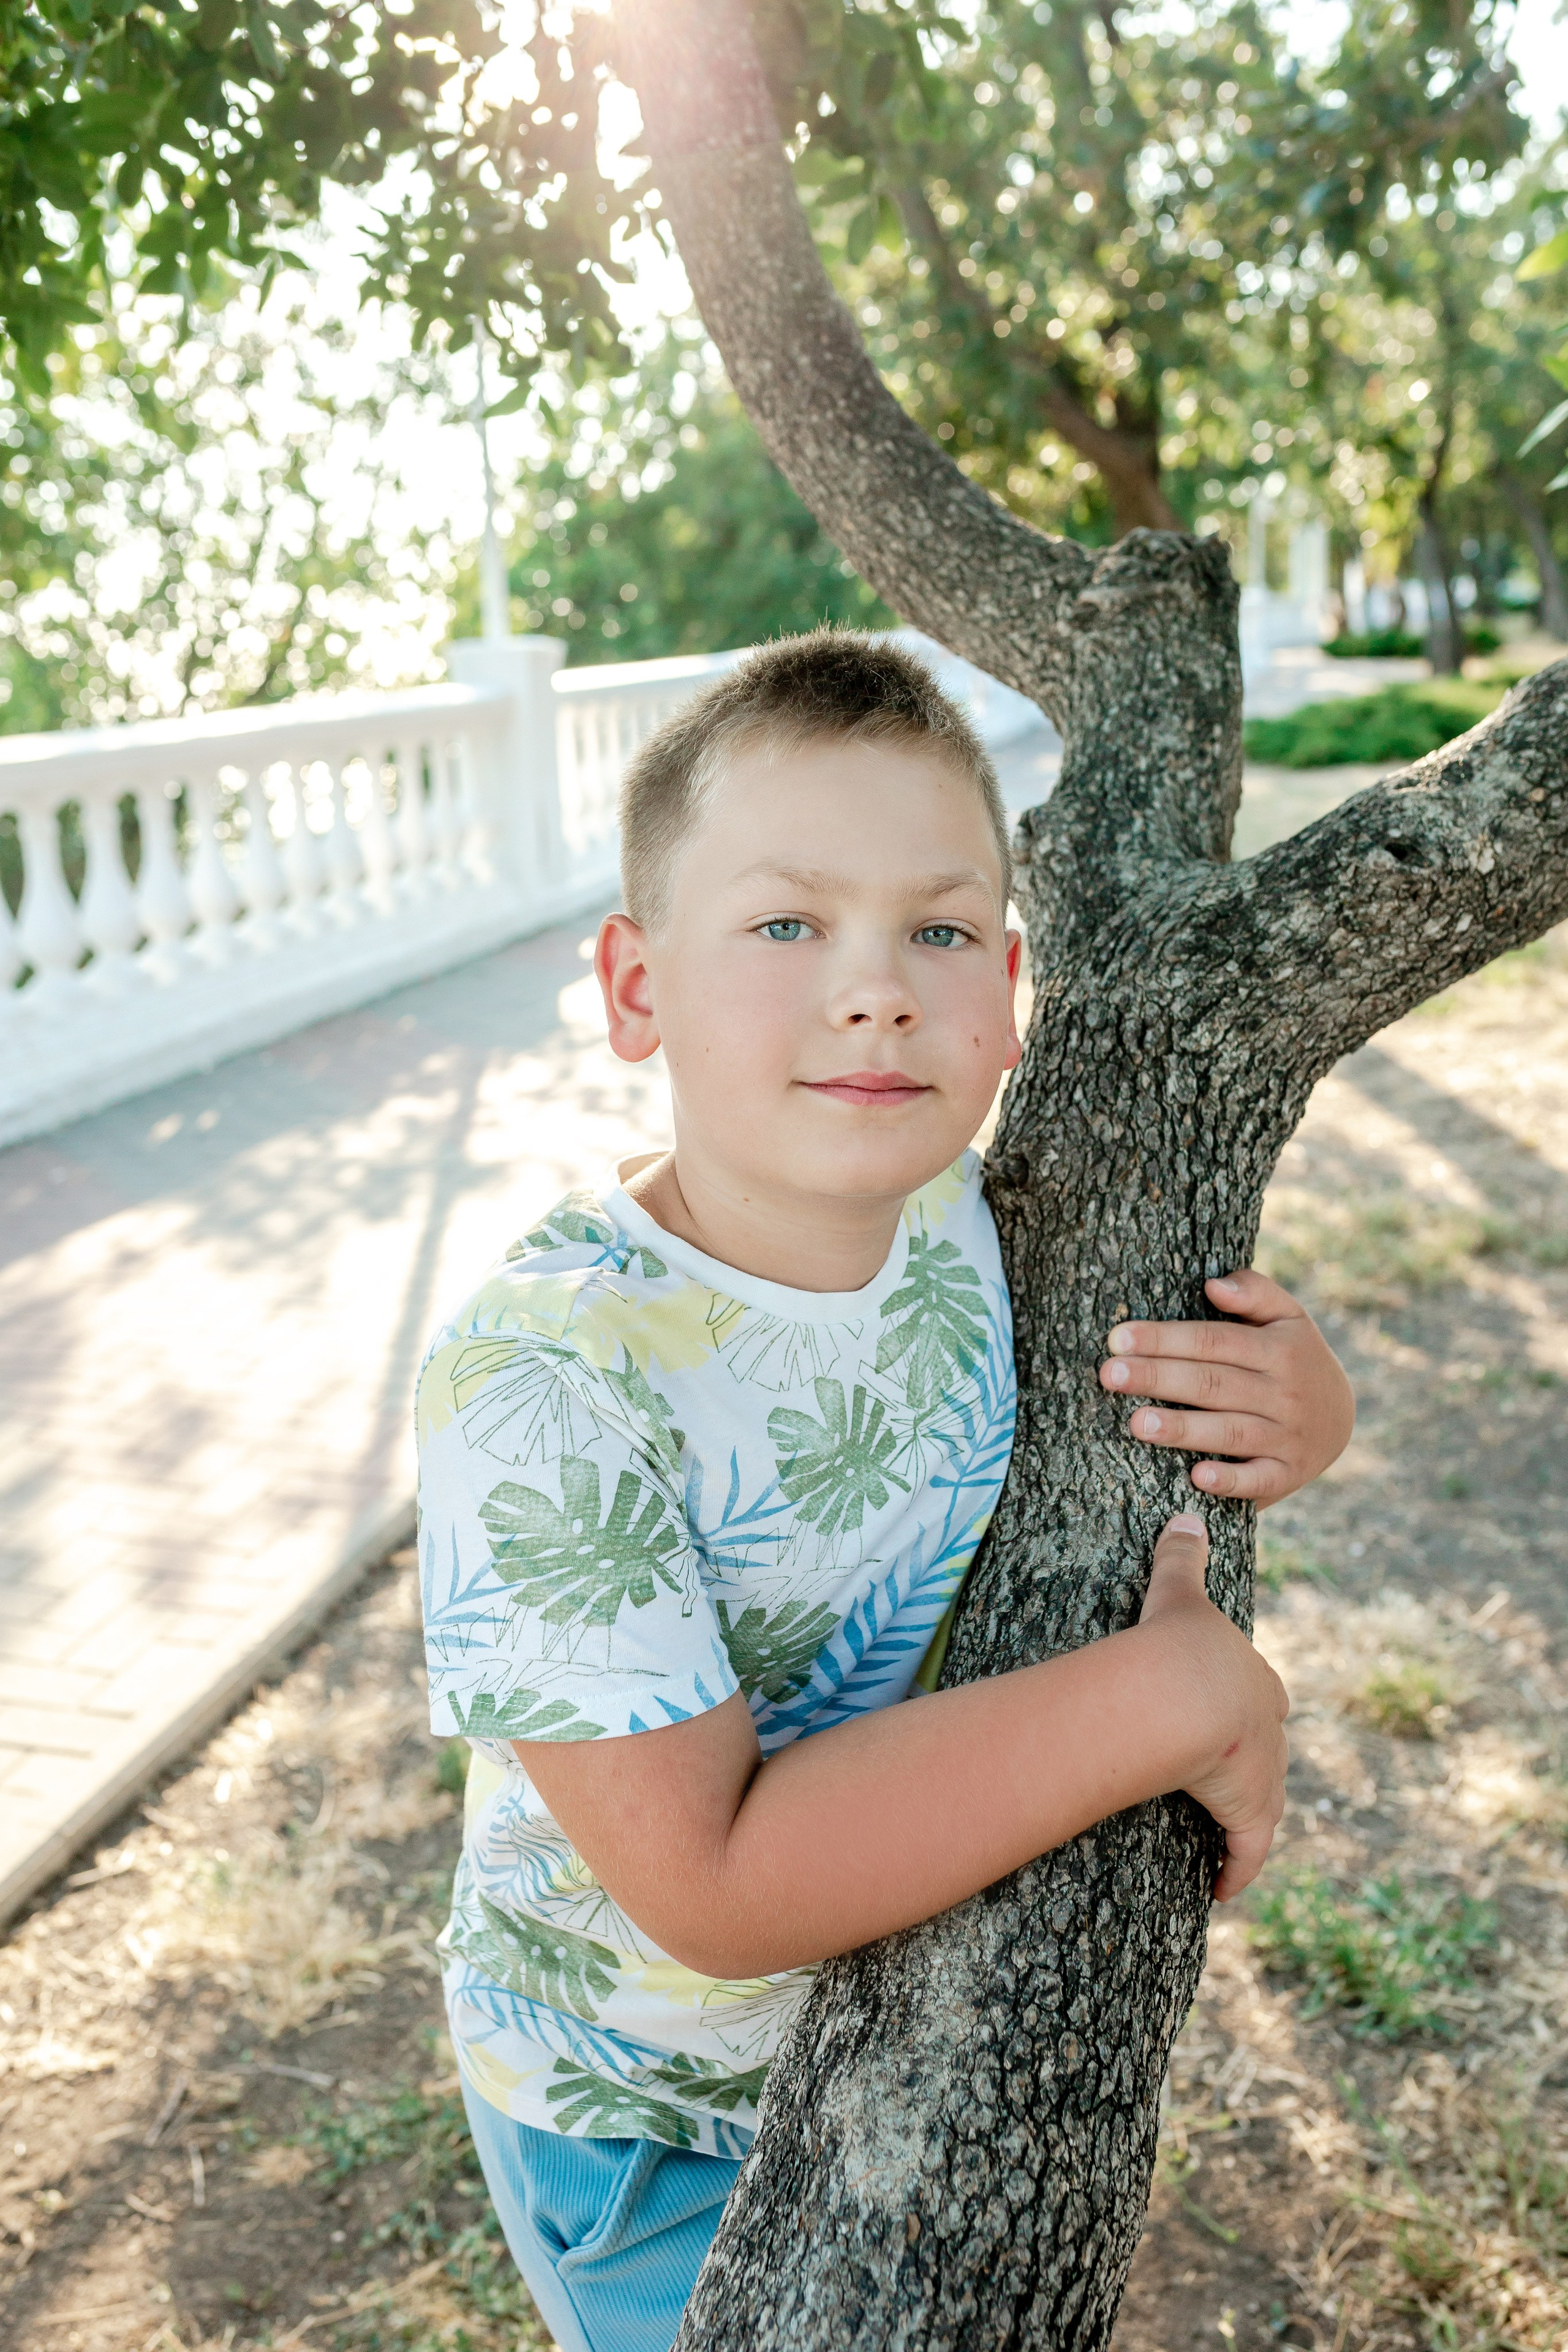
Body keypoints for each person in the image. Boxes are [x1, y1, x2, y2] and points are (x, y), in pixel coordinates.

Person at [415, 630, 1353, 2352]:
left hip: (896, 2007)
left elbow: (1196, 1400)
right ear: (637, 990)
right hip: (648, 2111)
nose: (876, 988)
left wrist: (1302, 1400)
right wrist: (1172, 1692)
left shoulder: (980, 1222)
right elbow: (711, 1884)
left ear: (1005, 990)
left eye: (935, 931)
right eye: (788, 925)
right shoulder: (546, 1387)